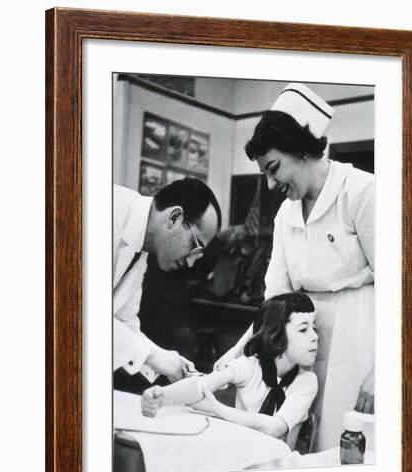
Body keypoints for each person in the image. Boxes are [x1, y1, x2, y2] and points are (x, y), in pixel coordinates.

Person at [214, 83, 374, 450]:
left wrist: (383, 374)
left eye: (274, 168)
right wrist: (236, 353)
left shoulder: (361, 192)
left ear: (301, 150)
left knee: (341, 443)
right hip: (301, 340)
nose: (271, 184)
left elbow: (408, 287)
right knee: (299, 438)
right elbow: (275, 298)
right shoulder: (287, 213)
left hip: (359, 340)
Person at [141, 292, 318, 445]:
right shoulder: (250, 366)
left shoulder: (306, 381)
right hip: (241, 453)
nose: (315, 337)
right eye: (303, 329)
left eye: (314, 327)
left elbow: (275, 427)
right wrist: (162, 396)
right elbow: (201, 385)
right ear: (276, 335)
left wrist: (216, 408)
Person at [114, 177, 221, 392]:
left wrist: (167, 360)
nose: (191, 262)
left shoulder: (143, 247)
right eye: (195, 246)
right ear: (174, 217)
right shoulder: (104, 209)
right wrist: (153, 356)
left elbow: (123, 321)